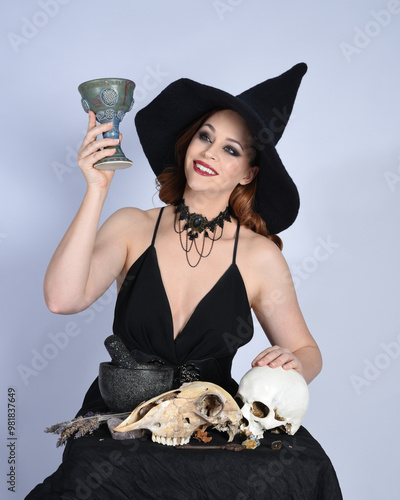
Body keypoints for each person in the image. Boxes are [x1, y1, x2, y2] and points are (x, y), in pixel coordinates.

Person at [27, 63, 342, 499]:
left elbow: (308, 352)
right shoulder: (132, 226)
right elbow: (61, 299)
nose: (210, 153)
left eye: (232, 150)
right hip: (123, 421)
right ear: (189, 142)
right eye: (206, 136)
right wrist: (97, 188)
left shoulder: (259, 255)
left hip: (210, 425)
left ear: (248, 173)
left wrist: (294, 365)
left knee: (302, 476)